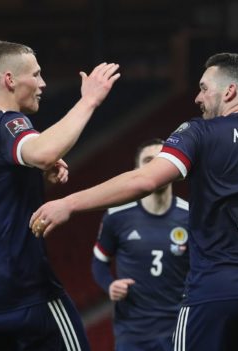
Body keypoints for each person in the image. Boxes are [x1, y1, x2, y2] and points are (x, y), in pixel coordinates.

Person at [31, 52, 238, 351]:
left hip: (213, 293)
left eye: (204, 88)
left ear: (229, 92)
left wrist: (69, 203)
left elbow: (144, 180)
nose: (197, 98)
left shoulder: (200, 132)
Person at [0, 40, 120, 350]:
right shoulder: (8, 123)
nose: (43, 83)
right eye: (36, 74)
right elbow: (44, 151)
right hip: (28, 297)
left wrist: (28, 176)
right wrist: (89, 101)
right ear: (10, 80)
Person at [91, 138, 190, 351]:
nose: (156, 167)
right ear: (137, 170)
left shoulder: (192, 216)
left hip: (180, 329)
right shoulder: (116, 216)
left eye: (162, 160)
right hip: (133, 332)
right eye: (148, 161)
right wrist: (109, 284)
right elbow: (99, 262)